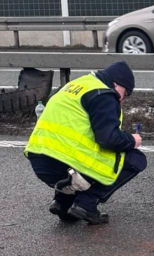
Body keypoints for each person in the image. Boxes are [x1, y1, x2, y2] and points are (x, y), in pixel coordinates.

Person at [25, 61, 146, 225]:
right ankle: (86, 204)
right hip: (63, 161)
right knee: (135, 159)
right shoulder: (104, 94)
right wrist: (132, 140)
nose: (122, 99)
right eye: (126, 93)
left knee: (76, 156)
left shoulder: (79, 84)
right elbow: (108, 139)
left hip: (40, 158)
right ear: (117, 84)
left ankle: (63, 204)